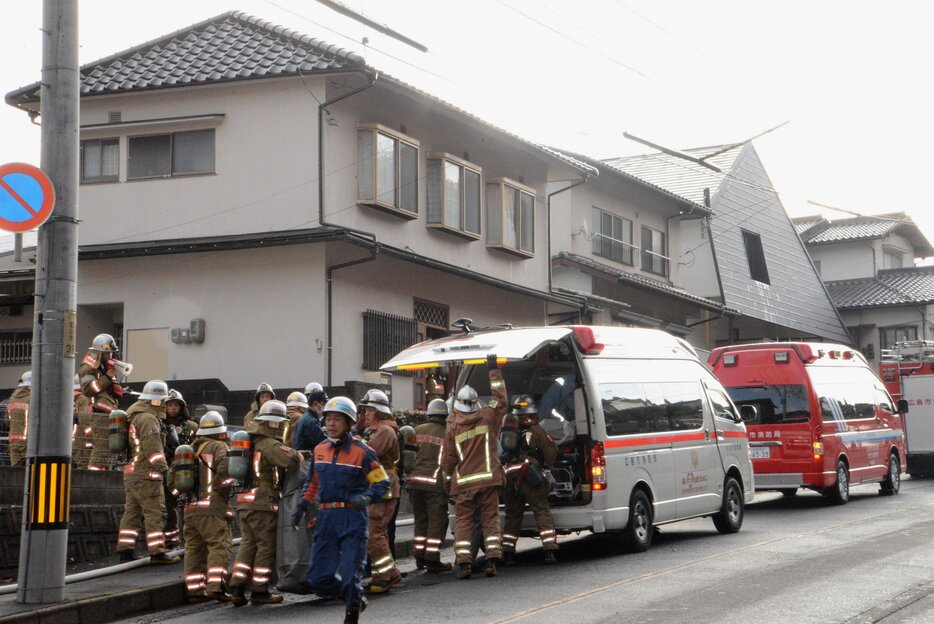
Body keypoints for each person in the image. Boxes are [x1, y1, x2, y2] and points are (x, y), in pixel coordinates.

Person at [292, 396, 390, 624]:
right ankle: (354, 596)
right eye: (328, 419)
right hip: (325, 519)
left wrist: (366, 497)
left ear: (349, 423)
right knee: (319, 579)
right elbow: (313, 482)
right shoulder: (319, 450)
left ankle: (351, 610)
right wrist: (303, 505)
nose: (331, 424)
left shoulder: (362, 452)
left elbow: (381, 483)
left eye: (337, 419)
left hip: (352, 519)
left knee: (349, 576)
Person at [229, 399, 302, 606]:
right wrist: (299, 454)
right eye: (281, 423)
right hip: (262, 503)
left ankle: (237, 587)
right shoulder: (268, 443)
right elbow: (290, 460)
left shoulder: (251, 440)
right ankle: (260, 590)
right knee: (265, 547)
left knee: (247, 545)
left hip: (244, 501)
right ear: (273, 423)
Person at [442, 355, 509, 579]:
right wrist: (493, 370)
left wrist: (446, 478)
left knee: (464, 521)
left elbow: (449, 458)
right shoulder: (487, 416)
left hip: (464, 483)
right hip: (488, 479)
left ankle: (464, 562)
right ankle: (491, 559)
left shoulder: (452, 426)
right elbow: (500, 399)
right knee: (490, 519)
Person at [116, 379, 180, 564]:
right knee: (155, 513)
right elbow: (153, 448)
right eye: (163, 401)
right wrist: (164, 470)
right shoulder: (148, 418)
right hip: (146, 473)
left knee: (132, 514)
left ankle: (125, 552)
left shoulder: (135, 414)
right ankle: (157, 552)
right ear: (156, 400)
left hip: (131, 471)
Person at [176, 411, 236, 603]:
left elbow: (171, 479)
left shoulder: (188, 450)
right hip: (212, 507)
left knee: (194, 549)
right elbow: (226, 469)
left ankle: (194, 591)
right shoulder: (219, 446)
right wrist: (228, 483)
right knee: (220, 546)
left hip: (190, 507)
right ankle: (215, 587)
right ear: (220, 432)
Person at [501, 395, 559, 565]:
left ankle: (508, 553)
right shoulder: (537, 430)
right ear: (532, 413)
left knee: (512, 515)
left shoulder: (505, 431)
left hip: (509, 476)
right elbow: (551, 455)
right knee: (541, 510)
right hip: (529, 475)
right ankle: (549, 550)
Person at [358, 389, 401, 593]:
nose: (366, 413)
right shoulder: (377, 429)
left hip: (383, 483)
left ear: (380, 411)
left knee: (374, 531)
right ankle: (387, 573)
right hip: (380, 482)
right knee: (377, 531)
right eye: (365, 409)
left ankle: (385, 576)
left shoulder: (385, 431)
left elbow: (368, 454)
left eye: (370, 409)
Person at [407, 398, 452, 573]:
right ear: (444, 415)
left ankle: (419, 556)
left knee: (420, 520)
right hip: (434, 483)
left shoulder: (416, 430)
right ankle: (432, 559)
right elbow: (449, 461)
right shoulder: (447, 434)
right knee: (437, 521)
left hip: (414, 482)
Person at [79, 333, 123, 471]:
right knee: (102, 449)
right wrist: (107, 378)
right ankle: (95, 478)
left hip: (108, 413)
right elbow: (88, 390)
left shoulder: (104, 367)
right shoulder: (88, 368)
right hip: (99, 414)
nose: (110, 356)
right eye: (107, 353)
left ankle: (103, 473)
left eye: (111, 353)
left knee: (108, 450)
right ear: (99, 352)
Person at [163, 389, 198, 548]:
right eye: (170, 405)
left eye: (176, 404)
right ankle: (171, 540)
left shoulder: (191, 426)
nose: (173, 408)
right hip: (168, 473)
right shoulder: (159, 425)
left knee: (189, 505)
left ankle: (190, 540)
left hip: (187, 473)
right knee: (170, 506)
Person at [292, 382, 328, 452]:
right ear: (315, 404)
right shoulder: (311, 421)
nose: (325, 407)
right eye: (324, 404)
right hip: (306, 459)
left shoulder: (306, 417)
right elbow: (322, 442)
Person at [7, 370, 31, 467]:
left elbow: (7, 420)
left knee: (16, 471)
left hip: (14, 441)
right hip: (28, 442)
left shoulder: (11, 399)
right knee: (29, 471)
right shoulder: (32, 398)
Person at [72, 374, 93, 469]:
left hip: (69, 440)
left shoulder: (68, 397)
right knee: (83, 465)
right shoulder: (84, 399)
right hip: (81, 440)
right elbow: (85, 420)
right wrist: (93, 436)